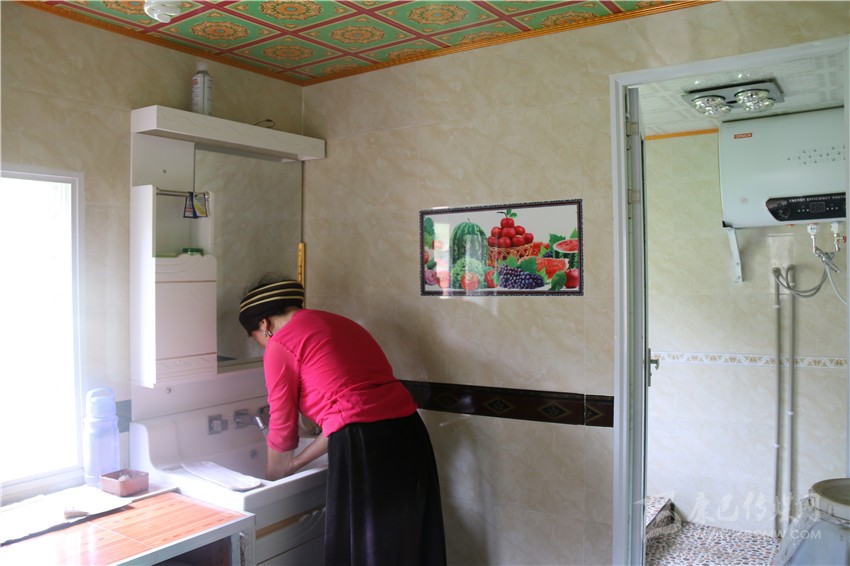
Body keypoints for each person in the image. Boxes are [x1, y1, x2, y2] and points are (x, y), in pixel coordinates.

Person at [238, 277, 447, 565]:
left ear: (264, 324)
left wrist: (273, 477)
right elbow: (349, 413)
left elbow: (283, 422)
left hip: (368, 447)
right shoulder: (341, 324)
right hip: (411, 433)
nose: (262, 345)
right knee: (410, 546)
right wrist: (293, 464)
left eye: (256, 338)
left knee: (367, 551)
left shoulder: (280, 343)